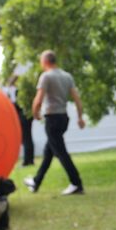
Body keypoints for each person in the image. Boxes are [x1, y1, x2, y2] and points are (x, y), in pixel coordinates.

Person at [26, 51, 85, 195]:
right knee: (49, 152)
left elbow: (38, 98)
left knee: (61, 152)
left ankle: (76, 183)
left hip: (52, 118)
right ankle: (36, 181)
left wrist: (35, 112)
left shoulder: (46, 76)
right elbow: (77, 98)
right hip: (64, 117)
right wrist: (80, 117)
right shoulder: (67, 76)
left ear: (45, 61)